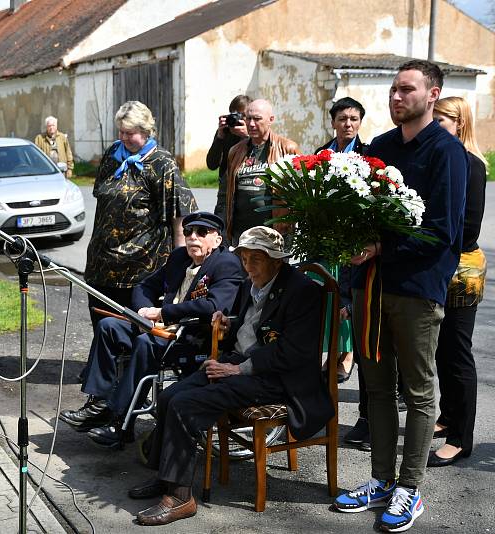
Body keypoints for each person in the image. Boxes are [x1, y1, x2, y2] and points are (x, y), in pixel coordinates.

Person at [335, 60, 468, 533]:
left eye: (406, 90)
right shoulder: (381, 148)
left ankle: (410, 487)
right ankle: (381, 479)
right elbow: (357, 209)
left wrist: (380, 248)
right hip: (371, 287)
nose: (396, 97)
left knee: (417, 392)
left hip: (416, 290)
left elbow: (443, 231)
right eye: (393, 90)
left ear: (432, 94)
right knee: (375, 389)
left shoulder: (446, 152)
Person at [128, 226, 333, 526]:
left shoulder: (303, 291)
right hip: (240, 365)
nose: (248, 267)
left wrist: (237, 369)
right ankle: (167, 478)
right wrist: (225, 324)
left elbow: (292, 353)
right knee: (170, 395)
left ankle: (181, 498)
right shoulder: (253, 282)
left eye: (256, 260)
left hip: (276, 379)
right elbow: (246, 326)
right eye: (245, 259)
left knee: (186, 404)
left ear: (276, 261)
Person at [61, 212, 243, 447]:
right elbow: (144, 285)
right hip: (159, 328)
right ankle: (100, 402)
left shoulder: (226, 263)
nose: (192, 237)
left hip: (193, 336)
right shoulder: (179, 257)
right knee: (109, 327)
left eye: (201, 232)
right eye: (188, 232)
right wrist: (143, 312)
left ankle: (119, 421)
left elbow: (214, 306)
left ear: (217, 240)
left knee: (147, 344)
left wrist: (162, 313)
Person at [84, 100, 198, 331]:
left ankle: (132, 367)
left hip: (141, 269)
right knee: (103, 329)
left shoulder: (162, 163)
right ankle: (104, 367)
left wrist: (177, 265)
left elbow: (179, 216)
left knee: (135, 332)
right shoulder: (112, 155)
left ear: (146, 132)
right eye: (121, 131)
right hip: (102, 266)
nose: (124, 138)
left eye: (130, 133)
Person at [428, 96, 487, 467]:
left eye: (442, 119)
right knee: (440, 349)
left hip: (461, 270)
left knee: (456, 353)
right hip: (439, 266)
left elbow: (468, 230)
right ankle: (448, 415)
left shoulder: (472, 165)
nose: (435, 124)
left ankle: (461, 438)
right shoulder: (444, 157)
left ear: (460, 123)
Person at [314, 97, 370, 446]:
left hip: (356, 248)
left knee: (356, 321)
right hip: (326, 245)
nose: (348, 124)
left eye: (354, 118)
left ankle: (366, 415)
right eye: (342, 118)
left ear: (360, 122)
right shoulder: (320, 154)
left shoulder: (370, 155)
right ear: (333, 121)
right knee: (325, 316)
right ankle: (320, 406)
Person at [223, 99, 299, 245]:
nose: (251, 124)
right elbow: (225, 193)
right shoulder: (235, 151)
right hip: (241, 234)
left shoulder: (287, 149)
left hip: (274, 233)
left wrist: (288, 225)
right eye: (248, 118)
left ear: (271, 120)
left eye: (257, 119)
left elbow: (299, 192)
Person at [207, 94, 250, 223]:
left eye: (241, 115)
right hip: (225, 195)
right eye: (234, 114)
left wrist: (247, 136)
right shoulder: (225, 132)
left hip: (245, 193)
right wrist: (219, 137)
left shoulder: (253, 134)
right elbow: (212, 164)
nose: (236, 119)